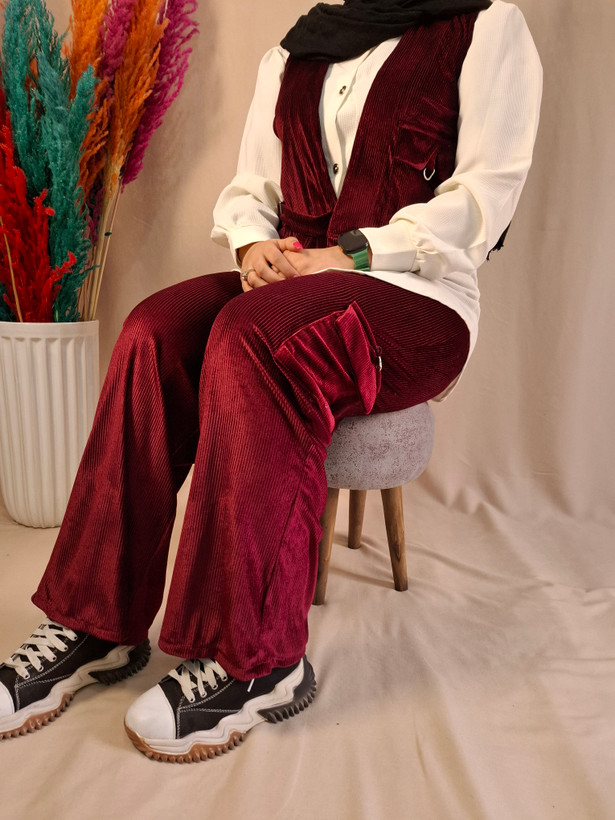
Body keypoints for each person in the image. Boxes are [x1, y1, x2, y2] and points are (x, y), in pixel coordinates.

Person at [0, 0, 542, 762]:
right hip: (296, 275)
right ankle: (95, 622)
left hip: (418, 297)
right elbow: (252, 185)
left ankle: (258, 661)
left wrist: (351, 254)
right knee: (152, 332)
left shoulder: (484, 26)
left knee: (256, 340)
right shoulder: (301, 44)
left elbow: (485, 197)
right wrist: (253, 244)